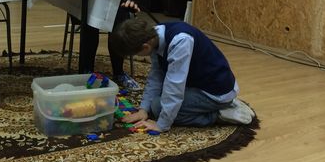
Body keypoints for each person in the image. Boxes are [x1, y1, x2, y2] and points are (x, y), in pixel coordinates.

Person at [109, 17, 256, 132]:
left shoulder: (180, 41)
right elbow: (156, 76)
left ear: (145, 47)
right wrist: (143, 110)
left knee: (158, 107)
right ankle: (211, 107)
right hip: (198, 83)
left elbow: (175, 87)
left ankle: (218, 114)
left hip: (216, 92)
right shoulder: (154, 36)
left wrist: (161, 125)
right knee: (156, 103)